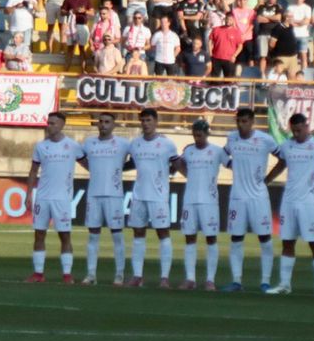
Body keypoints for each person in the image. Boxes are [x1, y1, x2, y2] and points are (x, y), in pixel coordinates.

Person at [263, 114, 314, 297]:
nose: (296, 133)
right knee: (287, 242)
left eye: (299, 129)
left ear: (306, 126)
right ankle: (285, 285)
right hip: (289, 201)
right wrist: (266, 180)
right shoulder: (287, 146)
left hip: (310, 203)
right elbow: (281, 164)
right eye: (293, 130)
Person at [220, 107, 276, 293]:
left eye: (244, 121)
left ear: (252, 122)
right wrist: (231, 165)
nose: (241, 125)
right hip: (237, 197)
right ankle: (236, 281)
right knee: (236, 238)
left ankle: (265, 282)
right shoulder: (232, 138)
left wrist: (268, 179)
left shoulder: (265, 139)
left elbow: (282, 158)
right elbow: (222, 154)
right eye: (238, 121)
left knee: (264, 238)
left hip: (258, 197)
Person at [124, 109, 179, 287]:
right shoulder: (135, 144)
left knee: (163, 234)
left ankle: (164, 278)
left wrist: (172, 172)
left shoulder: (167, 144)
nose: (145, 123)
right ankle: (137, 276)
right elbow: (132, 163)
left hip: (158, 196)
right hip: (139, 195)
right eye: (143, 120)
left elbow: (176, 164)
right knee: (138, 234)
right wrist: (115, 169)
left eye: (148, 120)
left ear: (156, 121)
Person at [25, 110, 80, 283]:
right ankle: (38, 274)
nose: (49, 126)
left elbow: (88, 164)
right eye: (48, 123)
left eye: (53, 123)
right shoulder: (41, 146)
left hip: (62, 198)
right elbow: (33, 171)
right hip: (42, 197)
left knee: (65, 235)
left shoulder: (73, 146)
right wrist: (29, 193)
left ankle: (67, 274)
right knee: (39, 234)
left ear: (62, 125)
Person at [78, 111, 129, 286]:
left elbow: (136, 159)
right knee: (93, 235)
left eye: (107, 122)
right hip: (94, 194)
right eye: (101, 121)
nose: (103, 124)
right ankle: (91, 274)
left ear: (113, 125)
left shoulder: (123, 143)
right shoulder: (89, 143)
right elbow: (80, 158)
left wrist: (120, 168)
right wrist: (92, 168)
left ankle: (119, 275)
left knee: (117, 236)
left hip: (114, 195)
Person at [175, 119, 226, 290]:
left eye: (200, 135)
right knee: (190, 238)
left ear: (207, 133)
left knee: (211, 238)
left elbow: (231, 164)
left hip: (209, 201)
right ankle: (190, 278)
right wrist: (187, 174)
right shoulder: (188, 150)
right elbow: (178, 163)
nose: (197, 138)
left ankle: (210, 280)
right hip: (190, 200)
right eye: (195, 135)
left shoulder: (217, 151)